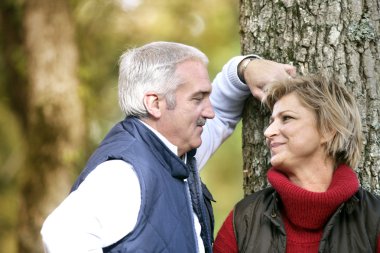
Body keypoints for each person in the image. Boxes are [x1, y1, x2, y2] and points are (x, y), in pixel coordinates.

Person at [40, 41, 296, 253]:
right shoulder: (124, 172)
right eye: (197, 98)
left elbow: (224, 105)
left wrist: (246, 68)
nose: (209, 112)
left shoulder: (173, 153)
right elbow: (61, 232)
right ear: (155, 103)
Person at [213, 74, 380, 253]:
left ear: (328, 129)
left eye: (286, 118)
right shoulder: (243, 219)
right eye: (271, 121)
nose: (268, 132)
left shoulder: (375, 219)